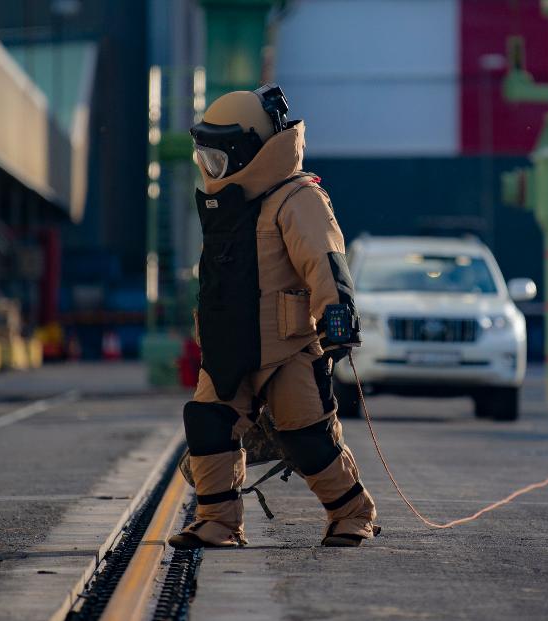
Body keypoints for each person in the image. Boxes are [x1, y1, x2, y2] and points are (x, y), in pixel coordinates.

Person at [168, 84, 378, 550]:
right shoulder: (227, 207)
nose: (211, 169)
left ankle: (352, 513)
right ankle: (218, 523)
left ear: (248, 151)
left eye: (218, 158)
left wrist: (337, 320)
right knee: (207, 423)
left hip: (288, 349)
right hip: (228, 348)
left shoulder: (297, 197)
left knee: (308, 438)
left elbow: (324, 261)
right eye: (207, 157)